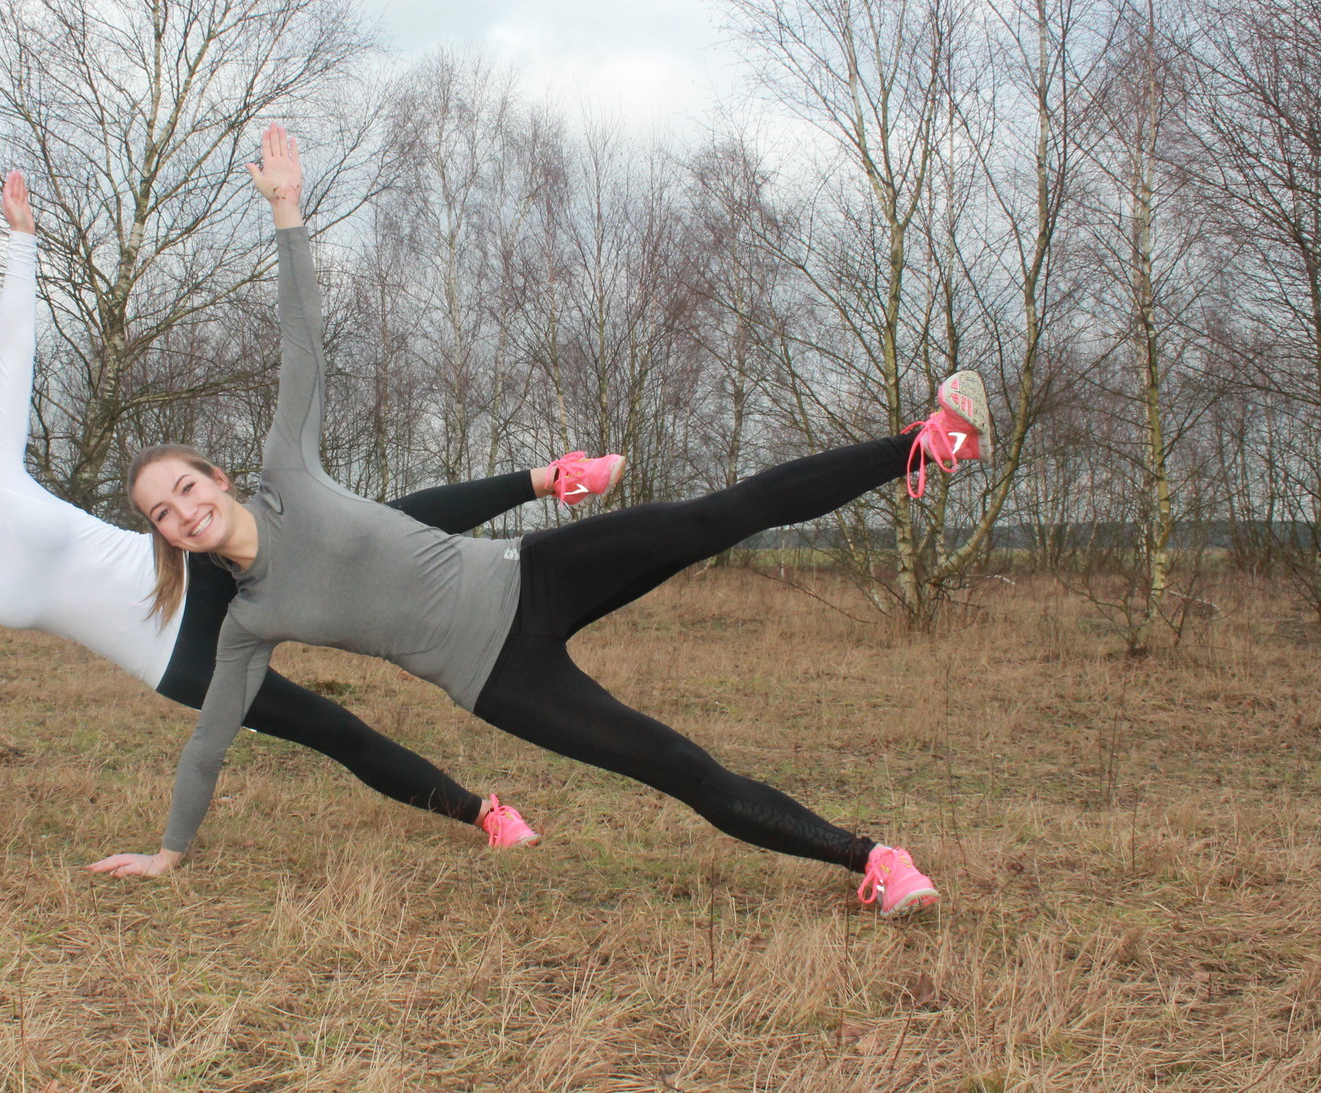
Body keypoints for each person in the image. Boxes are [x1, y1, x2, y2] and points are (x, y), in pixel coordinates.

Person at [103, 124, 990, 918]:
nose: (184, 511)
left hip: (531, 572)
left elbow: (302, 335)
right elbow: (209, 743)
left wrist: (287, 212)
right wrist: (169, 850)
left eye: (186, 487)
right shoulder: (247, 622)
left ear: (216, 476)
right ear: (163, 533)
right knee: (676, 766)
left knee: (723, 512)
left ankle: (925, 442)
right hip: (501, 675)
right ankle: (871, 860)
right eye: (163, 513)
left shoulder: (287, 467)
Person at [0, 170, 630, 849]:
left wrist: (23, 243)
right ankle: (483, 813)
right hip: (173, 659)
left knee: (375, 527)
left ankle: (548, 477)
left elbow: (13, 352)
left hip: (192, 571)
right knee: (333, 729)